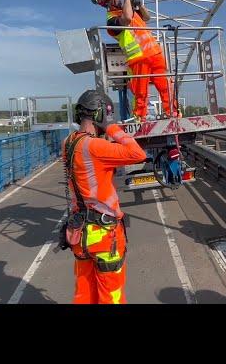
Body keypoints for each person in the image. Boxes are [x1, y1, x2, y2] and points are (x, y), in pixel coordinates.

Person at [62, 89, 147, 304]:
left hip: (80, 233)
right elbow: (138, 154)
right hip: (103, 235)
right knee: (111, 296)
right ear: (100, 114)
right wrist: (111, 126)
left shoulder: (68, 142)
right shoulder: (96, 146)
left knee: (84, 293)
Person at [90, 0, 177, 122]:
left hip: (155, 53)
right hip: (138, 58)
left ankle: (173, 114)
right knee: (140, 93)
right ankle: (140, 118)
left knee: (166, 87)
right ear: (109, 1)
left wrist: (140, 5)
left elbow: (147, 17)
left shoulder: (129, 9)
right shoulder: (112, 21)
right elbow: (127, 18)